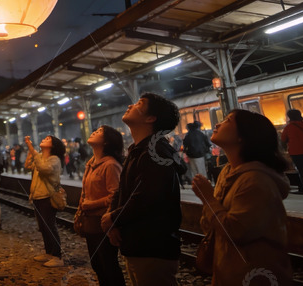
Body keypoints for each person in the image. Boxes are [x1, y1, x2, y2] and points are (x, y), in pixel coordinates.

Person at [192, 110, 293, 286]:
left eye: (227, 121)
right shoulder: (228, 172)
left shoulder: (255, 180)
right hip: (229, 270)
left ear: (243, 136)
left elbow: (236, 231)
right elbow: (210, 226)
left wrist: (207, 197)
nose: (217, 125)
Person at [101, 93, 186, 286]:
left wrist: (114, 218)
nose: (131, 105)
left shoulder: (154, 153)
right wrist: (114, 221)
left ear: (150, 118)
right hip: (139, 244)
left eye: (140, 104)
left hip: (152, 246)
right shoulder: (139, 150)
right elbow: (124, 190)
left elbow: (147, 197)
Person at [77, 126, 125, 286]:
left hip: (104, 222)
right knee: (97, 264)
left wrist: (90, 205)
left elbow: (116, 196)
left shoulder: (110, 165)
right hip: (91, 222)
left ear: (106, 142)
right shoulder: (91, 163)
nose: (93, 132)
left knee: (108, 266)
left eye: (98, 132)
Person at [24, 135, 66, 268]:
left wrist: (32, 149)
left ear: (53, 145)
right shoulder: (40, 157)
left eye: (47, 139)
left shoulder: (54, 159)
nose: (44, 139)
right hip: (37, 196)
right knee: (43, 227)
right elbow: (27, 166)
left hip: (48, 197)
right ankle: (49, 253)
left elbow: (43, 169)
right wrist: (31, 152)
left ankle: (57, 256)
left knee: (49, 226)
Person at [281, 109, 303, 194]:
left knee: (301, 170)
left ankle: (302, 188)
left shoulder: (288, 127)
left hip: (296, 152)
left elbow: (283, 139)